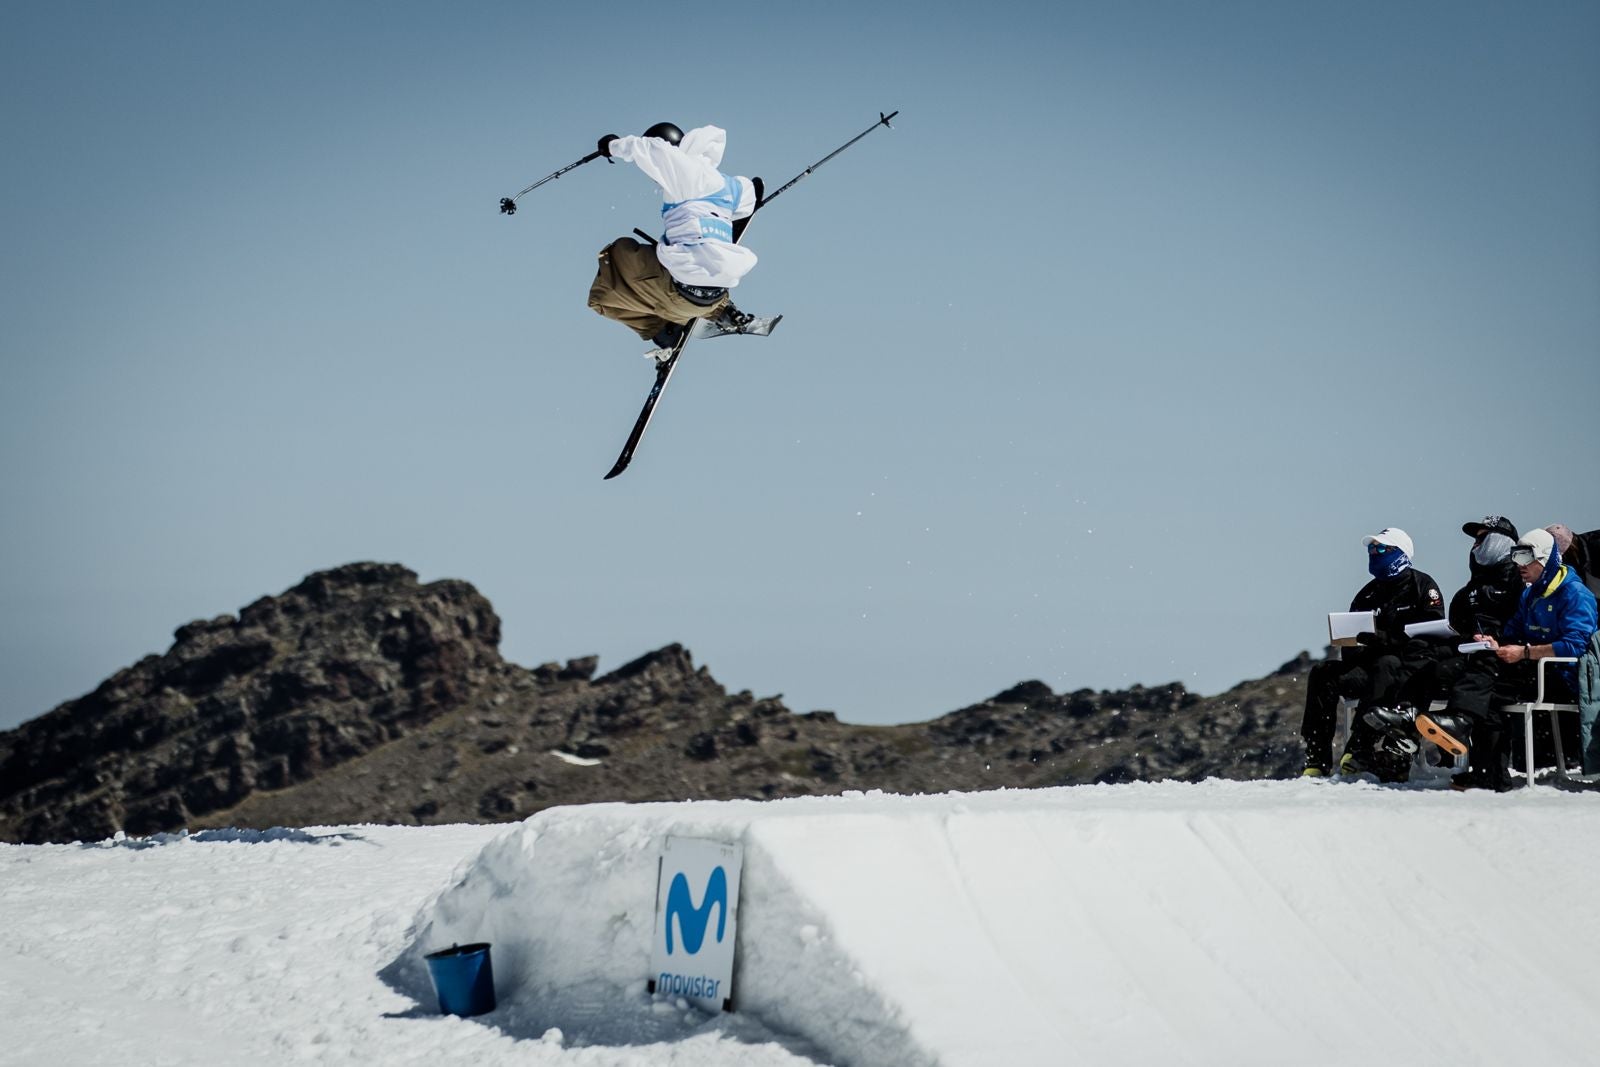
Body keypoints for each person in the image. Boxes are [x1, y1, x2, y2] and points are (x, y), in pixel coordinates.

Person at [1410, 527, 1600, 790]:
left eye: (1525, 558)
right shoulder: (1530, 594)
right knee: (1487, 688)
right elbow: (1513, 632)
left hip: (1561, 678)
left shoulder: (1576, 595)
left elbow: (1574, 646)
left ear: (1545, 559)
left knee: (1487, 679)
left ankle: (1461, 722)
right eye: (1515, 557)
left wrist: (1524, 652)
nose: (1518, 565)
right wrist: (1494, 642)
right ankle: (1489, 773)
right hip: (1534, 669)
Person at [586, 122, 775, 359]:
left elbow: (648, 148)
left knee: (610, 269)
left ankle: (664, 330)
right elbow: (751, 194)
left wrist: (611, 146)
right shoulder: (730, 186)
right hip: (714, 294)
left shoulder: (682, 168)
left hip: (678, 290)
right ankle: (721, 311)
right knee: (666, 257)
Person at [1364, 516, 1524, 772]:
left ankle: (1433, 727)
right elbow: (1458, 629)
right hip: (1469, 654)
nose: (1475, 546)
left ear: (1502, 543)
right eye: (1475, 540)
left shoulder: (1520, 584)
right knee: (1422, 649)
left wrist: (1500, 640)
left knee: (1456, 667)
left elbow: (1526, 627)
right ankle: (1407, 714)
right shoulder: (1467, 592)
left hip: (1504, 661)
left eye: (1483, 539)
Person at [1299, 528, 1445, 778]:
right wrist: (1356, 645)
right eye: (1371, 549)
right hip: (1368, 669)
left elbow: (1432, 636)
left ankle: (1359, 748)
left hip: (1404, 674)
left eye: (1381, 549)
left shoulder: (1422, 587)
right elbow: (1350, 643)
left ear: (1400, 553)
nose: (1374, 553)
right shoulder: (1367, 593)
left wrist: (1387, 641)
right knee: (1323, 672)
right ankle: (1316, 758)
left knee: (1386, 663)